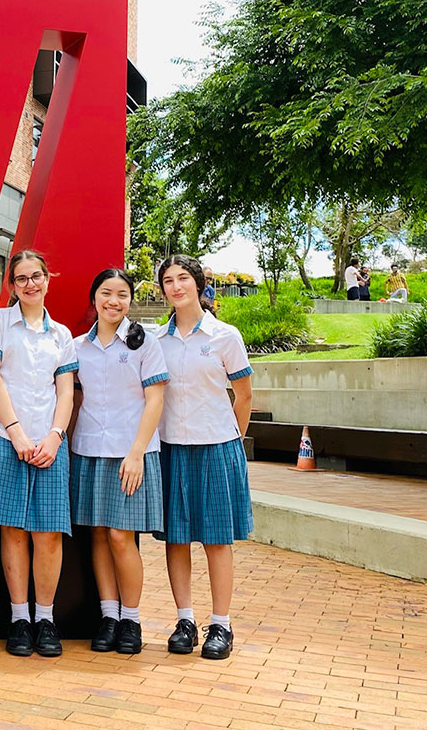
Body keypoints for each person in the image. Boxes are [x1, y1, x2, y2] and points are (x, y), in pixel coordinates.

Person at [0, 250, 77, 658]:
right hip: (3, 434)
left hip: (49, 440)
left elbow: (66, 390)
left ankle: (45, 618)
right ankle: (19, 618)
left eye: (37, 276)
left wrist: (54, 436)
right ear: (11, 285)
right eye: (21, 279)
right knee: (13, 528)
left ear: (49, 279)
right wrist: (15, 433)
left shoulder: (62, 335)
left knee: (48, 533)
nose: (30, 284)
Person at [155, 254, 254, 660]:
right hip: (170, 447)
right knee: (176, 539)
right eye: (168, 280)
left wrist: (234, 439)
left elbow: (244, 395)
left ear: (198, 284)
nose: (176, 286)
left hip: (216, 447)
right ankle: (184, 620)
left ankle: (221, 625)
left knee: (216, 540)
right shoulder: (155, 340)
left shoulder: (224, 336)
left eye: (183, 278)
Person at [70, 269, 168, 656]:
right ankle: (108, 616)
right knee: (97, 533)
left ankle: (132, 618)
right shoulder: (79, 346)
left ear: (130, 300)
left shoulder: (145, 342)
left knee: (120, 537)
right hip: (90, 449)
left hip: (132, 453)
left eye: (122, 294)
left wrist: (137, 452)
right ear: (94, 297)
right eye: (107, 293)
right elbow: (75, 399)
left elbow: (155, 399)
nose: (114, 301)